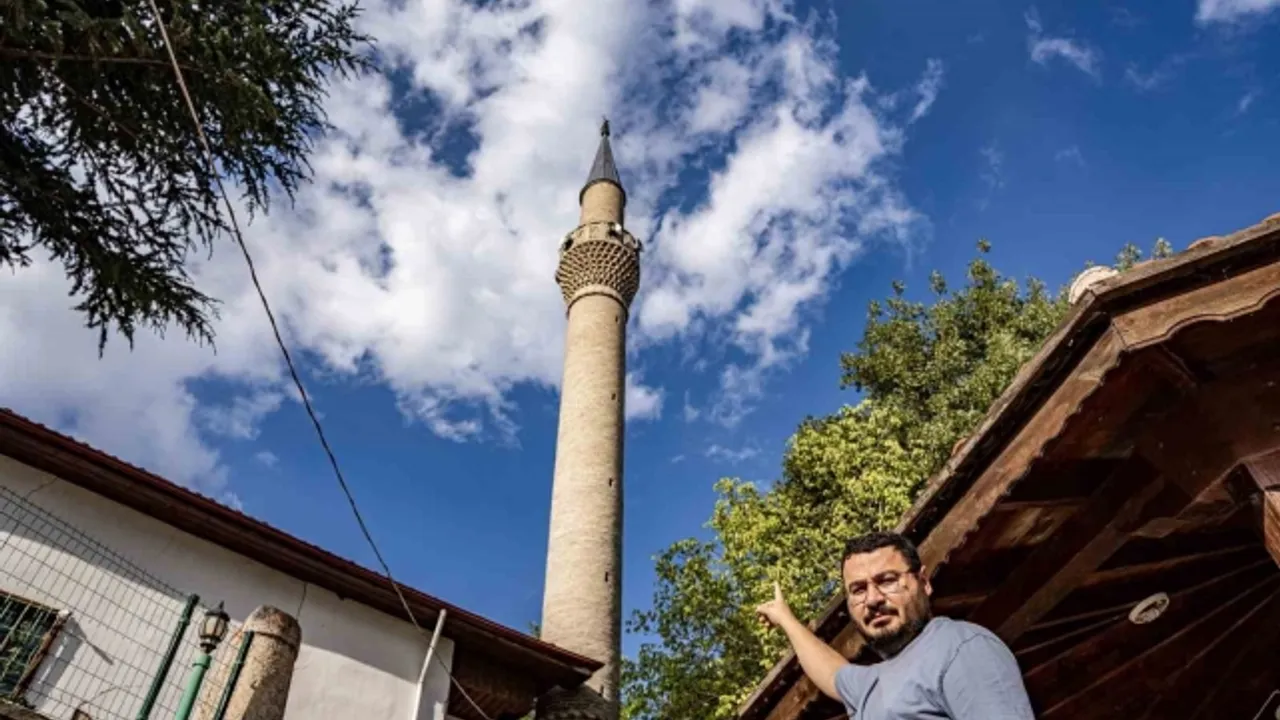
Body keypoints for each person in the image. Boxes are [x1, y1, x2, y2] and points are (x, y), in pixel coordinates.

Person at [755, 531, 1036, 719]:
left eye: (887, 580)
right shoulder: (873, 684)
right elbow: (831, 673)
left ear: (923, 582)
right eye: (858, 590)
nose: (873, 599)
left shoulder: (959, 648)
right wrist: (785, 619)